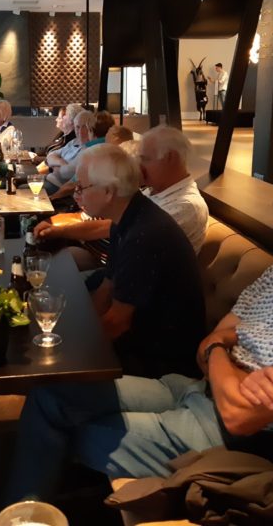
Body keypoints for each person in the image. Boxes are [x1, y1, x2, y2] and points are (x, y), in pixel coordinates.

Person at [2, 163, 273, 506]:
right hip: (192, 389)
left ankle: (20, 514)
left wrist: (221, 352)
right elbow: (212, 341)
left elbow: (240, 417)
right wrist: (226, 355)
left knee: (66, 430)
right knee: (51, 393)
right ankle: (21, 511)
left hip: (239, 445)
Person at [77, 144, 207, 379]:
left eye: (81, 187)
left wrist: (69, 354)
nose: (78, 195)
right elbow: (107, 287)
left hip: (165, 363)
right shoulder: (126, 217)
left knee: (52, 386)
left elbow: (117, 323)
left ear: (108, 192)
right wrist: (78, 327)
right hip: (141, 341)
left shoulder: (145, 235)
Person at [35, 126, 209, 271]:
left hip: (139, 283)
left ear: (170, 158)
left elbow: (117, 231)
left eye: (144, 159)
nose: (138, 166)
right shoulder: (152, 191)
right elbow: (114, 226)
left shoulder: (186, 206)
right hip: (117, 266)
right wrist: (57, 229)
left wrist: (59, 229)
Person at [44, 109, 95, 194]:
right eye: (77, 127)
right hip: (48, 178)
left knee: (23, 190)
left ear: (91, 128)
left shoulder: (89, 149)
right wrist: (61, 163)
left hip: (58, 187)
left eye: (84, 127)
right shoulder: (74, 141)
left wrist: (55, 165)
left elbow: (67, 174)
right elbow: (50, 155)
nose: (80, 131)